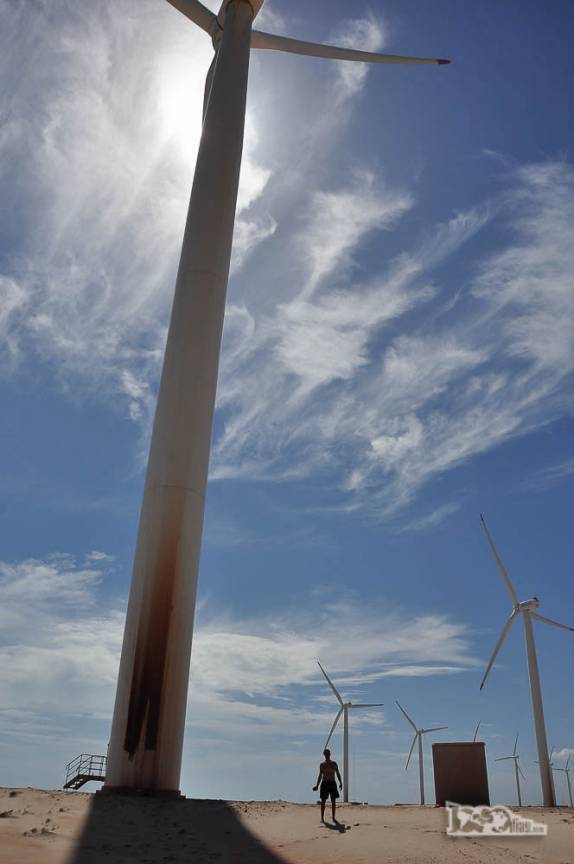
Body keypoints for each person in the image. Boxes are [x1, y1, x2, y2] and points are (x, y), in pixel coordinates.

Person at [312, 749, 342, 823]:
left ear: (330, 754)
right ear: (324, 755)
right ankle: (322, 818)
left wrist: (340, 782)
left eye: (328, 754)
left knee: (333, 801)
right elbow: (320, 775)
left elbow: (338, 773)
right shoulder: (322, 765)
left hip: (332, 783)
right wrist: (317, 785)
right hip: (324, 783)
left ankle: (333, 817)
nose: (327, 755)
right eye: (325, 754)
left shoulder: (334, 763)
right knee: (323, 801)